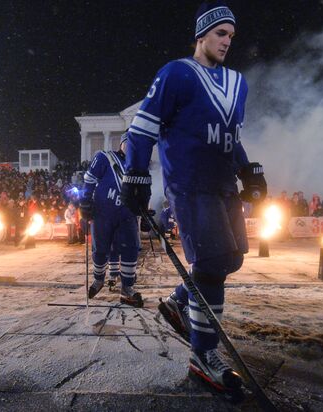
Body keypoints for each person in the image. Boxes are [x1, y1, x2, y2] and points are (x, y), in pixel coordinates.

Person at [121, 1, 267, 392]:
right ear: (201, 34)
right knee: (213, 261)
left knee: (230, 260)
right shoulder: (176, 73)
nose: (227, 42)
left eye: (231, 36)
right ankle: (203, 354)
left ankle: (176, 301)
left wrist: (246, 168)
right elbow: (141, 128)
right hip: (189, 184)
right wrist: (136, 172)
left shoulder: (239, 83)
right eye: (220, 33)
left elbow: (230, 138)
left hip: (222, 185)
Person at [80, 132, 143, 307]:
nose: (132, 147)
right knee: (100, 249)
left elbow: (142, 192)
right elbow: (90, 179)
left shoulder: (138, 167)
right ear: (122, 143)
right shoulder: (104, 157)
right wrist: (85, 200)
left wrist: (144, 210)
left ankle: (127, 289)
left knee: (130, 250)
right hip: (103, 214)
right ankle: (98, 280)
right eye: (129, 143)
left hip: (127, 216)